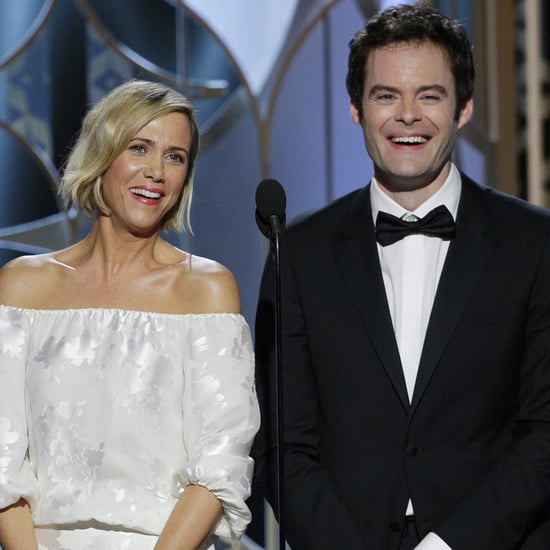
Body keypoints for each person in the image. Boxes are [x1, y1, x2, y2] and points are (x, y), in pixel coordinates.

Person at [254, 3, 550, 549]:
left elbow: (543, 433)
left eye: (429, 95)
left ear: (463, 108)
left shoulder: (534, 242)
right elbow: (282, 444)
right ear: (355, 109)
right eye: (386, 95)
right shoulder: (298, 252)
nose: (406, 115)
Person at [0, 79, 260, 550]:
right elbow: (1, 457)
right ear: (103, 154)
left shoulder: (205, 290)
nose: (157, 172)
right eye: (140, 148)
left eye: (175, 157)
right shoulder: (24, 286)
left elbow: (221, 460)